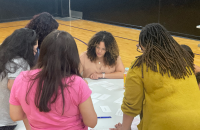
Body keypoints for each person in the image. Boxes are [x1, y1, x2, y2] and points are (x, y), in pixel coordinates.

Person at [111, 23, 200, 130]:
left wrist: (125, 128)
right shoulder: (183, 61)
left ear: (144, 46)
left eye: (140, 48)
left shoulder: (140, 65)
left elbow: (131, 103)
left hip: (164, 124)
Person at [9, 30, 97, 130]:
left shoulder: (22, 78)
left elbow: (16, 116)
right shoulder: (78, 83)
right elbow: (92, 122)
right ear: (72, 56)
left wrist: (37, 115)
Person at [0, 28, 38, 130]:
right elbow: (12, 86)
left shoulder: (3, 54)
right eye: (34, 49)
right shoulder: (19, 62)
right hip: (5, 121)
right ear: (26, 47)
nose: (35, 52)